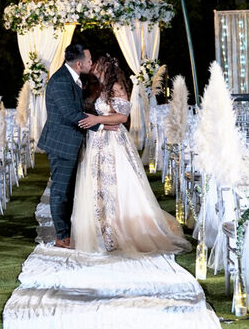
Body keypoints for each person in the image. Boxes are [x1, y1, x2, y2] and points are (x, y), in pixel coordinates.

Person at [71, 54, 191, 255]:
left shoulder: (117, 87)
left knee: (119, 182)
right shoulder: (103, 88)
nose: (93, 68)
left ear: (105, 68)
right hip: (100, 139)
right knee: (100, 183)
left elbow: (122, 117)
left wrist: (97, 119)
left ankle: (121, 228)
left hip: (113, 141)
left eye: (97, 65)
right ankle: (103, 227)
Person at [37, 43, 117, 249]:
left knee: (70, 190)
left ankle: (69, 233)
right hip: (62, 143)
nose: (92, 63)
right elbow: (70, 114)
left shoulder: (73, 78)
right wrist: (102, 125)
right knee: (60, 191)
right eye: (89, 61)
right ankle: (61, 237)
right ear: (79, 63)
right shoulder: (60, 81)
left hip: (72, 142)